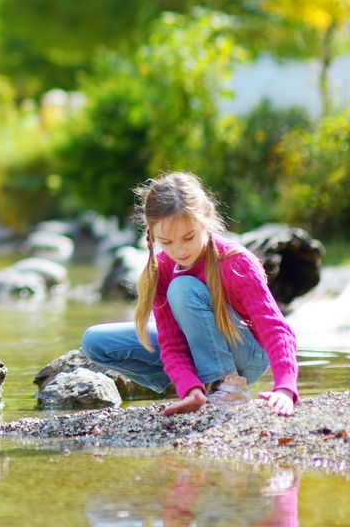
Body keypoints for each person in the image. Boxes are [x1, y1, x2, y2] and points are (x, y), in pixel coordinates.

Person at [81, 171, 298, 416]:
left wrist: (285, 387)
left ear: (206, 218)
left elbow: (275, 327)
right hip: (198, 348)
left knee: (183, 288)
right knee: (95, 342)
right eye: (167, 241)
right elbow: (171, 342)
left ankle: (228, 386)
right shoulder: (161, 267)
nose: (179, 250)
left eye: (188, 237)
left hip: (245, 354)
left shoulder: (235, 262)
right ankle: (196, 386)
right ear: (152, 235)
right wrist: (188, 386)